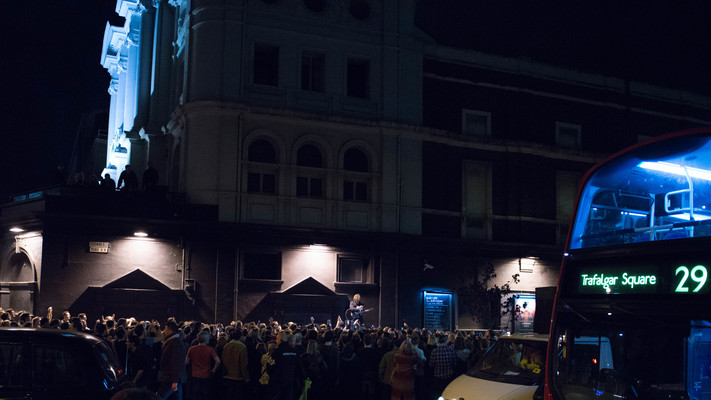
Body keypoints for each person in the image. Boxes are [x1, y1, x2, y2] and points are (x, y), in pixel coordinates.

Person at [156, 320, 187, 400]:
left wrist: (174, 381)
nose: (164, 331)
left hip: (170, 378)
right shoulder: (172, 341)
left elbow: (176, 362)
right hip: (173, 378)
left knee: (159, 397)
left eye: (165, 329)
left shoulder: (174, 343)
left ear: (169, 330)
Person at [185, 330, 221, 400]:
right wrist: (213, 370)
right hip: (206, 375)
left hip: (194, 375)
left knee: (195, 395)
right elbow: (218, 361)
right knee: (205, 395)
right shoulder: (210, 349)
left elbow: (186, 362)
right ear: (206, 339)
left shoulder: (191, 349)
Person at [221, 328, 249, 398]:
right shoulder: (242, 347)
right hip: (238, 376)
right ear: (240, 336)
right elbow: (243, 364)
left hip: (227, 374)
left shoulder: (226, 346)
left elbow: (223, 359)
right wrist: (246, 377)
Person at [428, 334, 457, 399]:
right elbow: (454, 364)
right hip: (448, 376)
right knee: (447, 395)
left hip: (438, 377)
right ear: (446, 341)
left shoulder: (434, 351)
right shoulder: (451, 351)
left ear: (438, 341)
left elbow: (431, 364)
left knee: (438, 395)